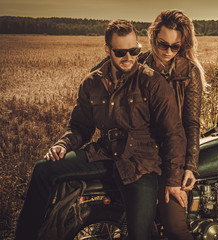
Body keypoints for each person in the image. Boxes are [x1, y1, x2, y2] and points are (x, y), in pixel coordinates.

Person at [14, 19, 187, 240]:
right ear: (107, 50)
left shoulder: (152, 82)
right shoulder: (92, 82)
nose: (129, 58)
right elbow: (80, 127)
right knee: (43, 169)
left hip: (141, 163)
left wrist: (173, 180)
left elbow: (173, 133)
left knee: (139, 236)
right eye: (121, 52)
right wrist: (62, 144)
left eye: (134, 51)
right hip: (104, 153)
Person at [92, 10, 206, 239]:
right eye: (163, 44)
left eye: (176, 47)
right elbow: (101, 74)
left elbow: (191, 122)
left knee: (175, 228)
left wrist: (189, 165)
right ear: (153, 37)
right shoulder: (136, 62)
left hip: (171, 156)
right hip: (138, 152)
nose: (168, 52)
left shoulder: (188, 72)